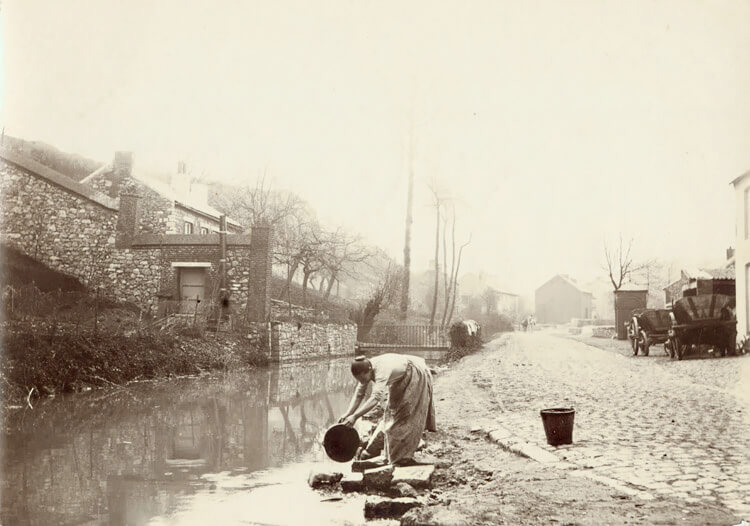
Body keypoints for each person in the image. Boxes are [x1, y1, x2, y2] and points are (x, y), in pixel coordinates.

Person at [339, 353, 436, 466]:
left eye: (362, 378)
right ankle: (391, 455)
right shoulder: (365, 370)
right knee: (391, 414)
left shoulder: (381, 371)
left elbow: (375, 398)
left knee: (405, 415)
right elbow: (359, 394)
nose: (362, 381)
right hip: (400, 377)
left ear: (369, 371)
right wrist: (348, 413)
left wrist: (355, 416)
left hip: (414, 373)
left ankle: (403, 458)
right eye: (358, 379)